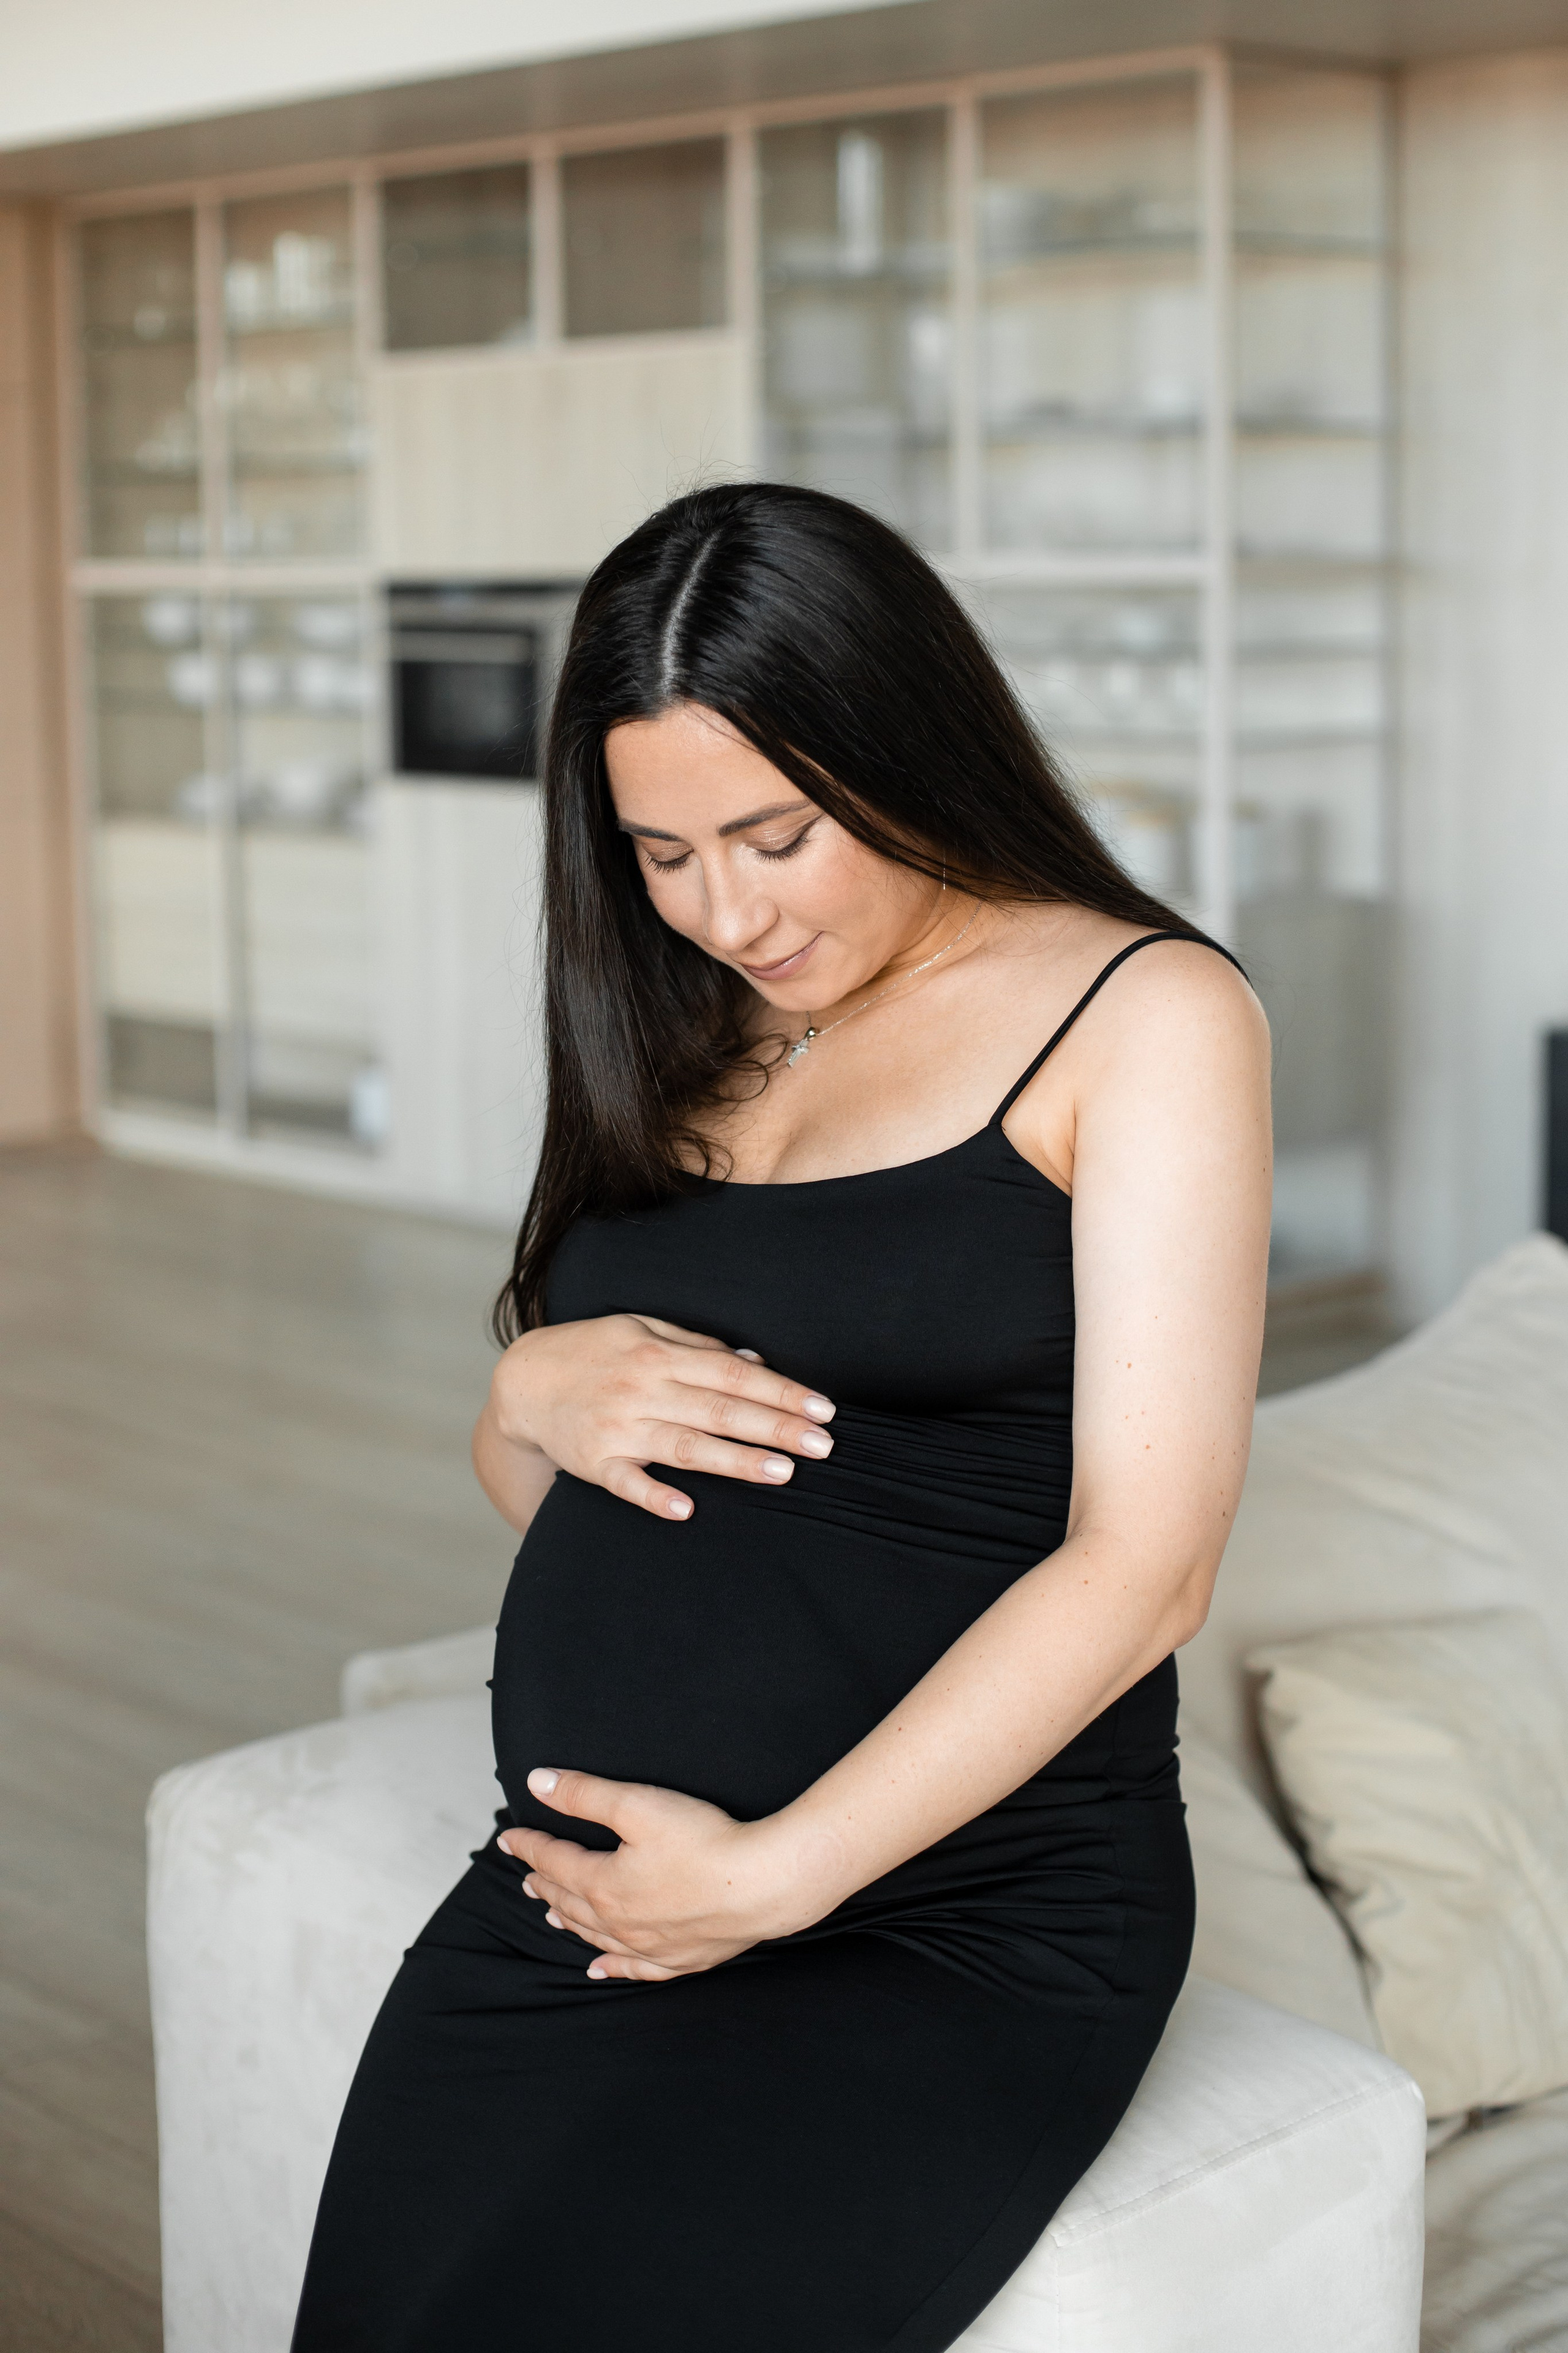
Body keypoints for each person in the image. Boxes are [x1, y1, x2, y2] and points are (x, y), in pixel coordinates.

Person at [291, 482, 1272, 2353]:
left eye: (778, 833)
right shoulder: (677, 1009)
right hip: (592, 1889)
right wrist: (522, 1392)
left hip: (944, 1913)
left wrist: (771, 1874)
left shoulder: (1141, 1014)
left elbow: (1150, 1564)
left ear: (907, 747)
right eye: (660, 851)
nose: (726, 909)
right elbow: (576, 1487)